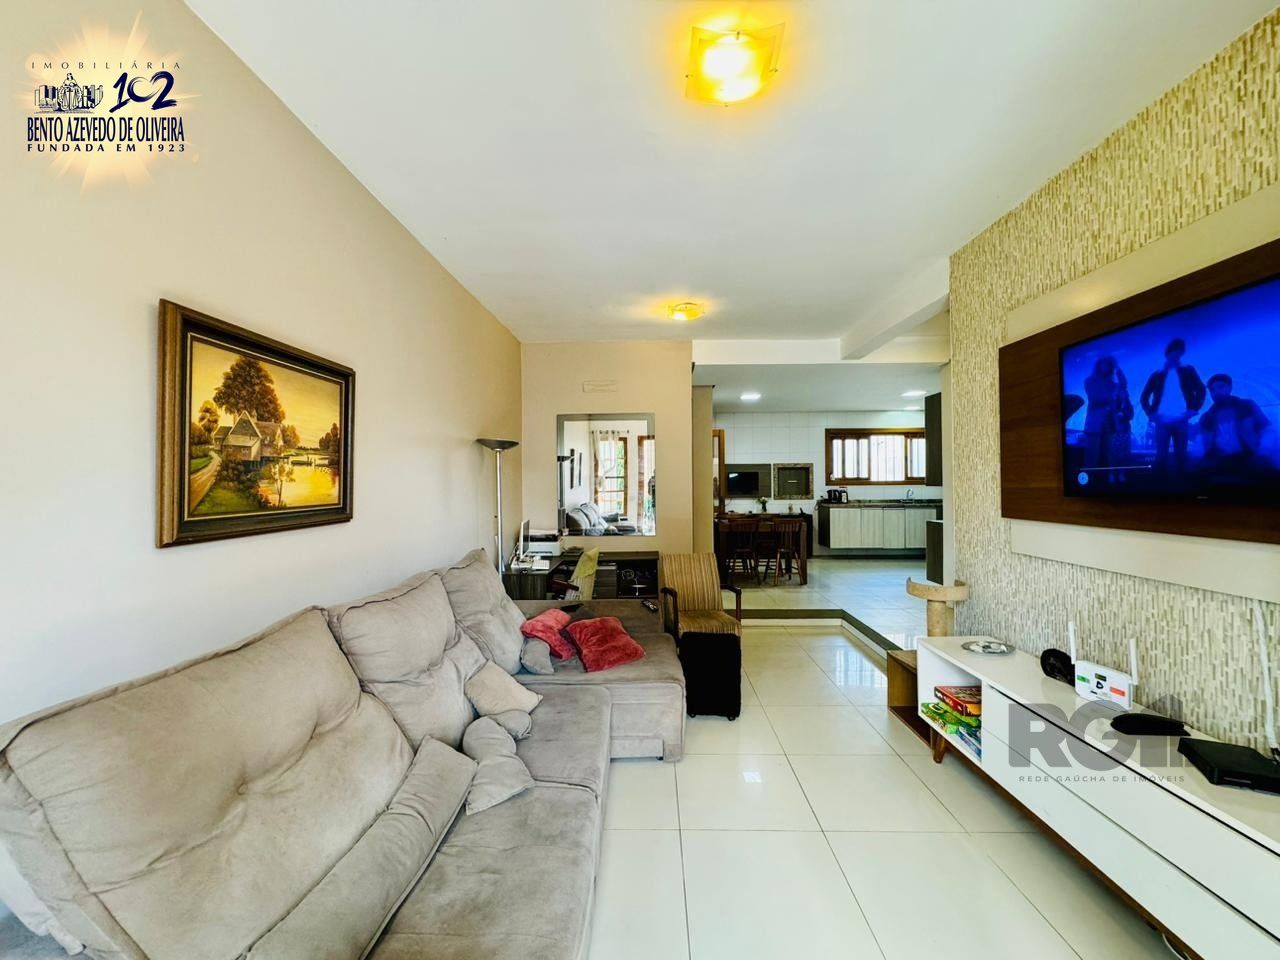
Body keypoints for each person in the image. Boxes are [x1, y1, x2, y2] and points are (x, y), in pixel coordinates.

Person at [1140, 338, 1206, 480]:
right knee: (1161, 456)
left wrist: (1193, 409)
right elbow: (1144, 397)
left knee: (1181, 455)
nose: (1176, 354)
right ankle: (1160, 486)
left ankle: (1182, 485)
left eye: (1179, 351)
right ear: (1168, 353)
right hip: (1162, 421)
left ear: (1181, 353)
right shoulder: (1157, 374)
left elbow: (1201, 389)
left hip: (1181, 419)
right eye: (1174, 351)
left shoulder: (1188, 370)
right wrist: (1151, 413)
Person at [1198, 374, 1272, 484]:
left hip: (1250, 457)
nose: (1216, 392)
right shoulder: (1206, 417)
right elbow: (1204, 444)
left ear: (1230, 387)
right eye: (1212, 389)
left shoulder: (1247, 405)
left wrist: (1264, 451)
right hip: (1221, 461)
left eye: (1221, 387)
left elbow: (1267, 429)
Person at [1081, 356, 1133, 474]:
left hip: (1110, 424)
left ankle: (1103, 481)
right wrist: (1112, 396)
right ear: (1098, 366)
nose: (1106, 367)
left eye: (1109, 365)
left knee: (1107, 456)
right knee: (1092, 457)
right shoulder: (1090, 381)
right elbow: (1095, 398)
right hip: (1094, 424)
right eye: (1104, 364)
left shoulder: (1112, 384)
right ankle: (1090, 481)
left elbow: (1124, 385)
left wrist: (1118, 369)